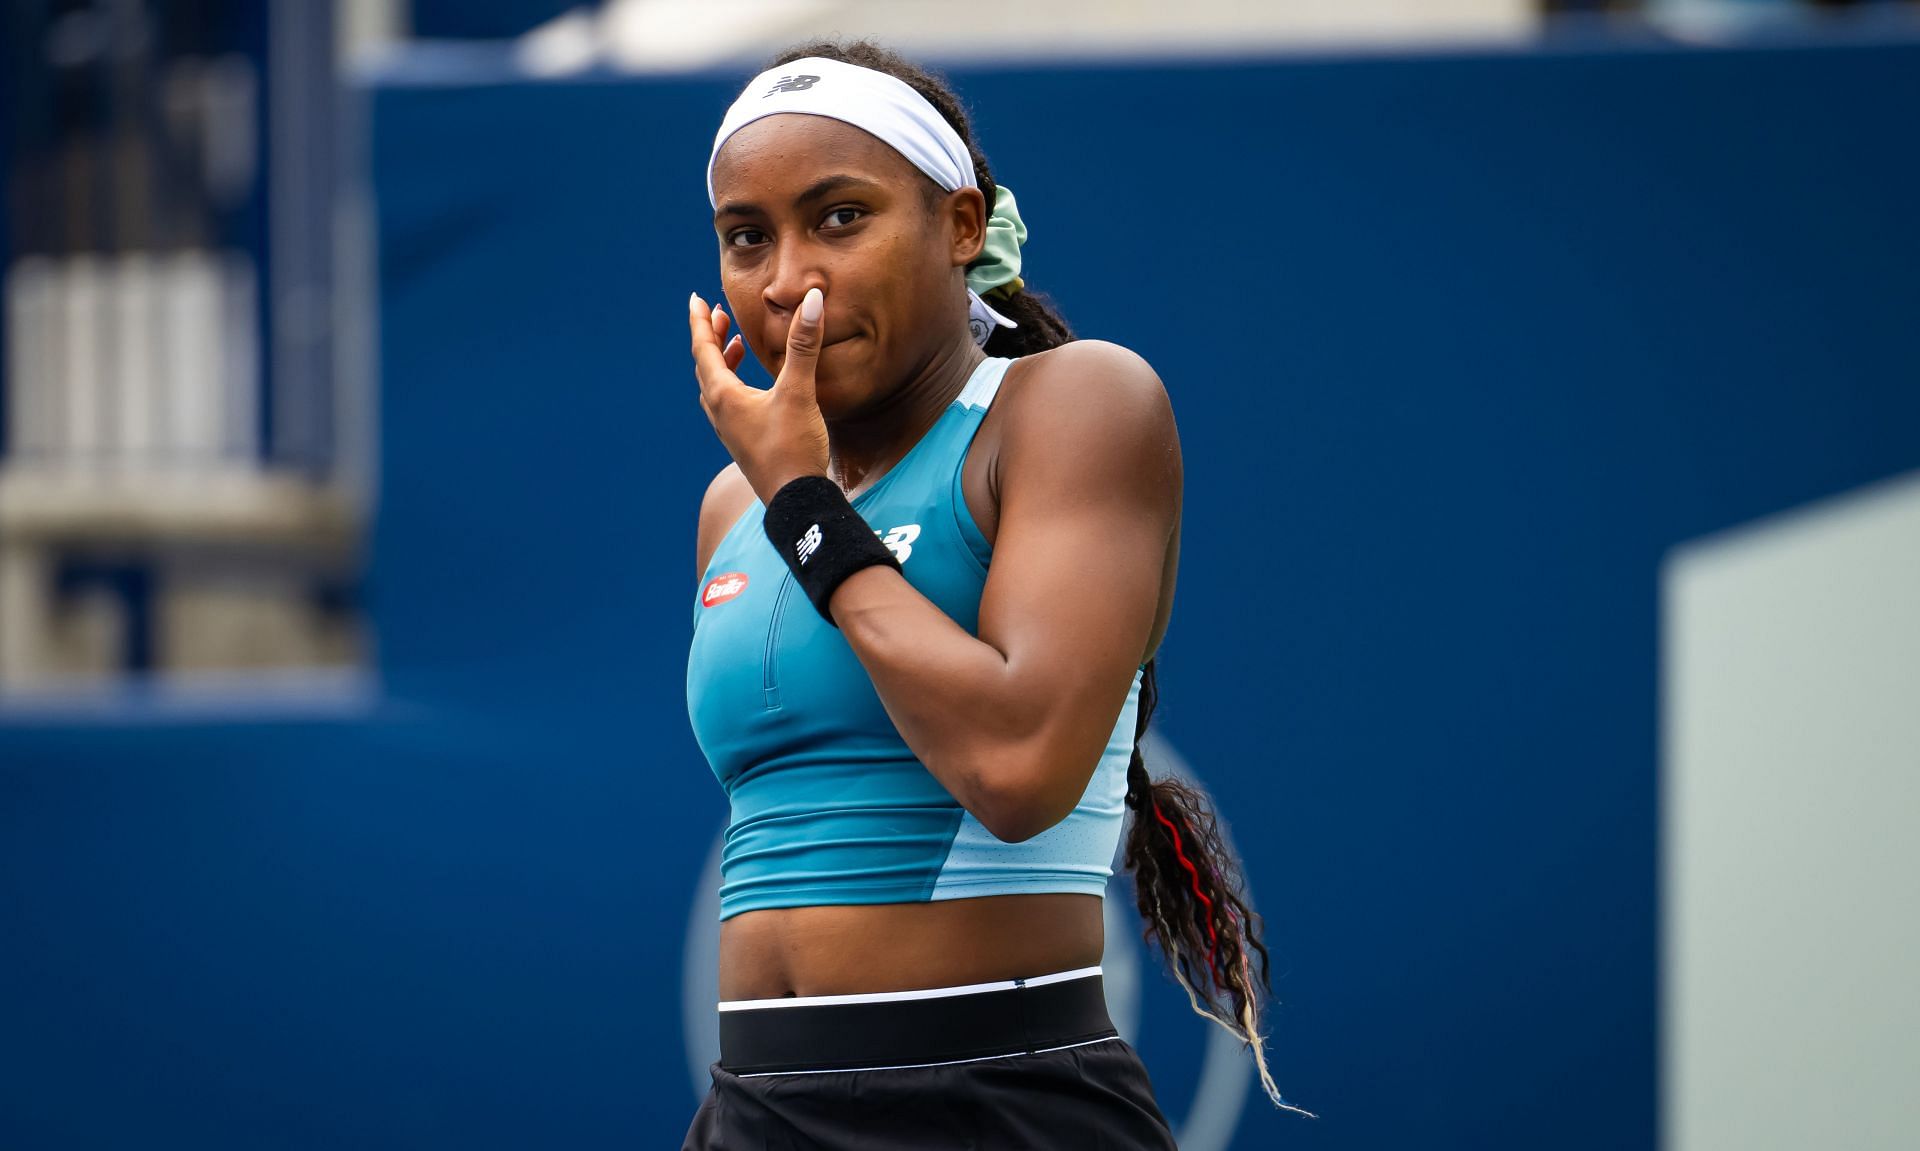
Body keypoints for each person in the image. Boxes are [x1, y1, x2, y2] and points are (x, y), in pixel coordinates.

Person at [683, 39, 1310, 1149]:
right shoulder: (733, 501)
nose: (786, 280)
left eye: (839, 217)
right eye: (748, 237)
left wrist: (807, 505)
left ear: (961, 225)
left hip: (993, 1106)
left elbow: (1017, 771)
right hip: (754, 1106)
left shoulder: (1071, 405)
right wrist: (789, 492)